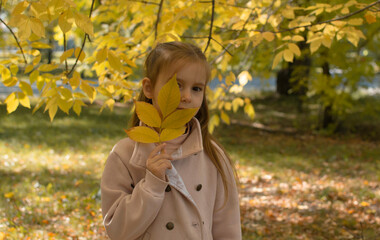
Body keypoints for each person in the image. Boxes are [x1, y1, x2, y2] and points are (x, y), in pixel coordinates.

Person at [101, 41, 241, 240]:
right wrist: (152, 185)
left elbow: (227, 227)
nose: (186, 96)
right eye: (177, 85)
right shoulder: (124, 154)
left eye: (196, 89)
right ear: (149, 88)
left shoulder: (212, 155)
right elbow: (117, 230)